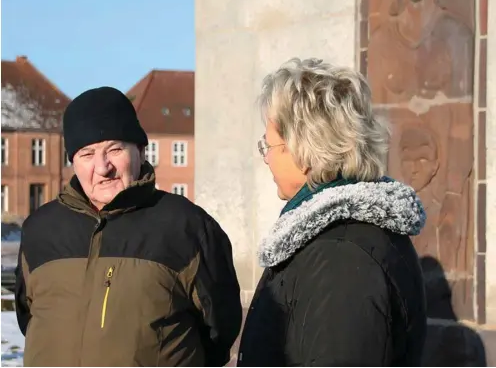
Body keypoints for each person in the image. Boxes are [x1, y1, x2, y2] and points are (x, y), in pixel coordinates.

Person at [15, 87, 242, 366]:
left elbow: (220, 329)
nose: (102, 167)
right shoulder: (40, 230)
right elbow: (28, 317)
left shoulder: (187, 227)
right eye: (87, 154)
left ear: (141, 151)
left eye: (114, 149)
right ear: (72, 160)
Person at [237, 58, 427, 366]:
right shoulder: (337, 240)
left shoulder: (340, 256)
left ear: (304, 149)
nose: (266, 160)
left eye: (269, 146)